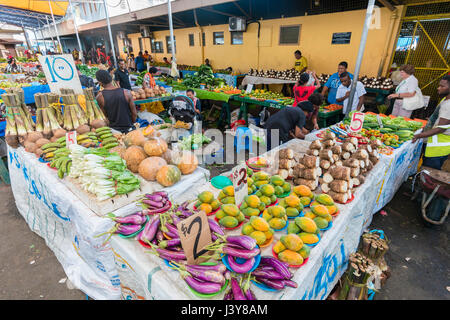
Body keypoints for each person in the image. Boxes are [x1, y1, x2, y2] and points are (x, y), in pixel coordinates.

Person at [412, 76, 450, 170]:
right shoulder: (445, 99)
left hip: (437, 148)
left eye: (442, 86)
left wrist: (418, 136)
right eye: (439, 85)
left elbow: (441, 128)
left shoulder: (448, 105)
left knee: (428, 174)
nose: (438, 88)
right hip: (438, 147)